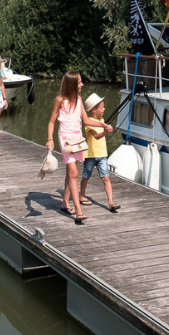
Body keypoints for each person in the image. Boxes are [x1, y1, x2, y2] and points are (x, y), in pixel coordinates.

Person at [46, 71, 110, 224]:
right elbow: (51, 122)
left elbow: (86, 120)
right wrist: (50, 139)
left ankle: (64, 203)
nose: (82, 85)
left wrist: (102, 124)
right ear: (72, 84)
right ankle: (79, 211)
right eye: (80, 82)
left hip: (77, 138)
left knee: (71, 173)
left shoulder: (79, 99)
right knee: (74, 172)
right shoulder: (60, 100)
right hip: (65, 139)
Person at [78, 93, 120, 212]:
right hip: (90, 155)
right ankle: (82, 195)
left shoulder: (101, 120)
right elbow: (96, 136)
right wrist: (106, 132)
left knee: (106, 178)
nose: (104, 109)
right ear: (94, 110)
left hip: (102, 155)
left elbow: (102, 130)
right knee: (86, 176)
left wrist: (108, 128)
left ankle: (111, 202)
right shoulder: (89, 122)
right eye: (102, 107)